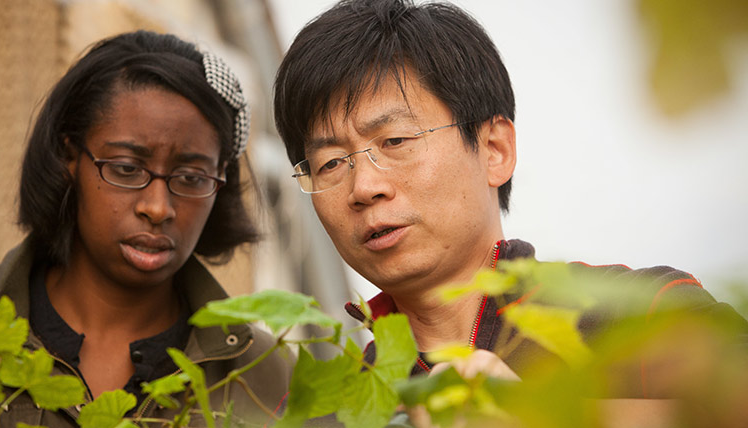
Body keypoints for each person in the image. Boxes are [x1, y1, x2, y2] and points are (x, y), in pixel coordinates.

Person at [273, 0, 748, 420]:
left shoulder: (641, 314)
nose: (365, 186)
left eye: (395, 140)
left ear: (495, 149)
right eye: (331, 162)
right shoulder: (323, 410)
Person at [0, 30, 291, 427]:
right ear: (68, 157)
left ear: (221, 180)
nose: (158, 207)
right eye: (127, 169)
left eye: (191, 177)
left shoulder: (265, 373)